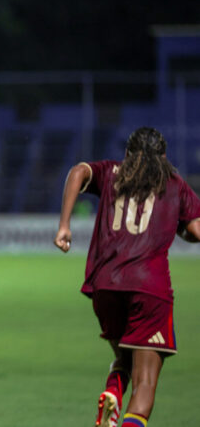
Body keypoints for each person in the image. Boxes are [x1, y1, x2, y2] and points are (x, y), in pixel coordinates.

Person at [54, 127, 200, 427]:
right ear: (163, 156)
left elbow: (77, 171)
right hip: (149, 289)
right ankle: (124, 410)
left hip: (105, 285)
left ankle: (113, 392)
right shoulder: (174, 183)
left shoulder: (110, 172)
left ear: (127, 154)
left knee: (124, 357)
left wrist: (64, 225)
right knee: (145, 381)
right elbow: (195, 230)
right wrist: (182, 229)